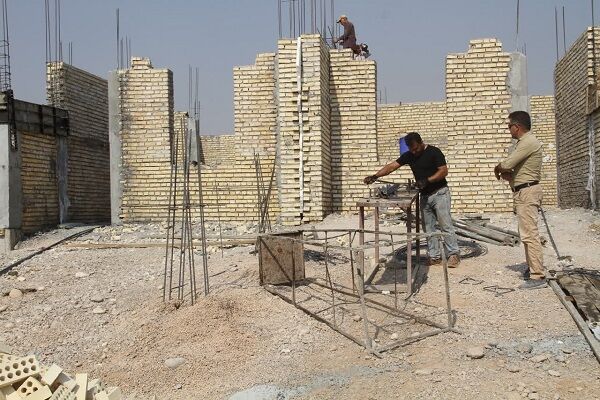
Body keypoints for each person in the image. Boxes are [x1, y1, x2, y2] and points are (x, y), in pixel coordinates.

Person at [363, 132, 461, 267]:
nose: (414, 151)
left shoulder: (434, 152)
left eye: (415, 148)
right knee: (428, 227)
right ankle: (435, 257)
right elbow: (392, 166)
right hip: (425, 196)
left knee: (445, 225)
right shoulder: (409, 155)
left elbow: (443, 171)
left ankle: (453, 255)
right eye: (411, 149)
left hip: (440, 194)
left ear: (421, 142)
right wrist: (375, 175)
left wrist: (427, 180)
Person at [494, 111, 546, 289]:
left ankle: (538, 276)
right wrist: (508, 175)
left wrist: (498, 168)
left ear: (517, 126)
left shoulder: (528, 142)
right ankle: (533, 268)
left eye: (510, 126)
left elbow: (508, 164)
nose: (509, 130)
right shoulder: (523, 143)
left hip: (528, 192)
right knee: (526, 234)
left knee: (530, 234)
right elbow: (516, 172)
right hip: (522, 191)